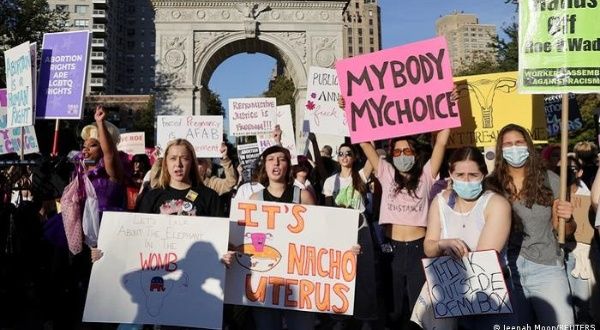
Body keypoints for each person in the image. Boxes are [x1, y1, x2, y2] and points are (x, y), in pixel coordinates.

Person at [485, 124, 575, 325]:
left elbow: (566, 232)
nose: (514, 148)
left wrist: (567, 219)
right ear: (500, 150)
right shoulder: (491, 185)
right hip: (507, 272)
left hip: (546, 268)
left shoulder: (550, 180)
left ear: (528, 145)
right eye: (507, 144)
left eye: (519, 142)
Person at [359, 128, 450, 327]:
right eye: (397, 152)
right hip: (391, 250)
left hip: (420, 248)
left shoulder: (427, 175)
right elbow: (365, 143)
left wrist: (450, 106)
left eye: (407, 151)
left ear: (416, 155)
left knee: (419, 308)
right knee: (392, 309)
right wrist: (347, 110)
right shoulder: (386, 172)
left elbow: (441, 142)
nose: (402, 156)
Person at [422, 147, 513, 329]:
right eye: (460, 174)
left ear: (483, 174)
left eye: (473, 175)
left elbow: (483, 260)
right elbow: (429, 247)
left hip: (488, 299)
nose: (466, 180)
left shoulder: (497, 204)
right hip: (448, 295)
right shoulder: (439, 202)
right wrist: (442, 244)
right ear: (451, 174)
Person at [248, 145, 316, 330]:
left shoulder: (303, 196)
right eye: (270, 159)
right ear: (265, 166)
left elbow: (319, 237)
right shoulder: (255, 199)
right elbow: (250, 241)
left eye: (281, 159)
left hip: (299, 280)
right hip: (267, 280)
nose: (276, 163)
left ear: (288, 166)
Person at [322, 143, 383, 329]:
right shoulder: (330, 182)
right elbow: (327, 209)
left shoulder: (361, 176)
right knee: (339, 273)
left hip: (361, 228)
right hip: (339, 229)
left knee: (364, 273)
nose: (344, 156)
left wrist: (369, 140)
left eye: (348, 153)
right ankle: (340, 318)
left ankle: (365, 317)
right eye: (340, 153)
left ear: (354, 156)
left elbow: (373, 160)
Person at [135, 139, 220, 217]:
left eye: (184, 158)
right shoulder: (151, 197)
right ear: (165, 163)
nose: (178, 164)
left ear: (192, 163)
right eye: (173, 158)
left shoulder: (210, 197)